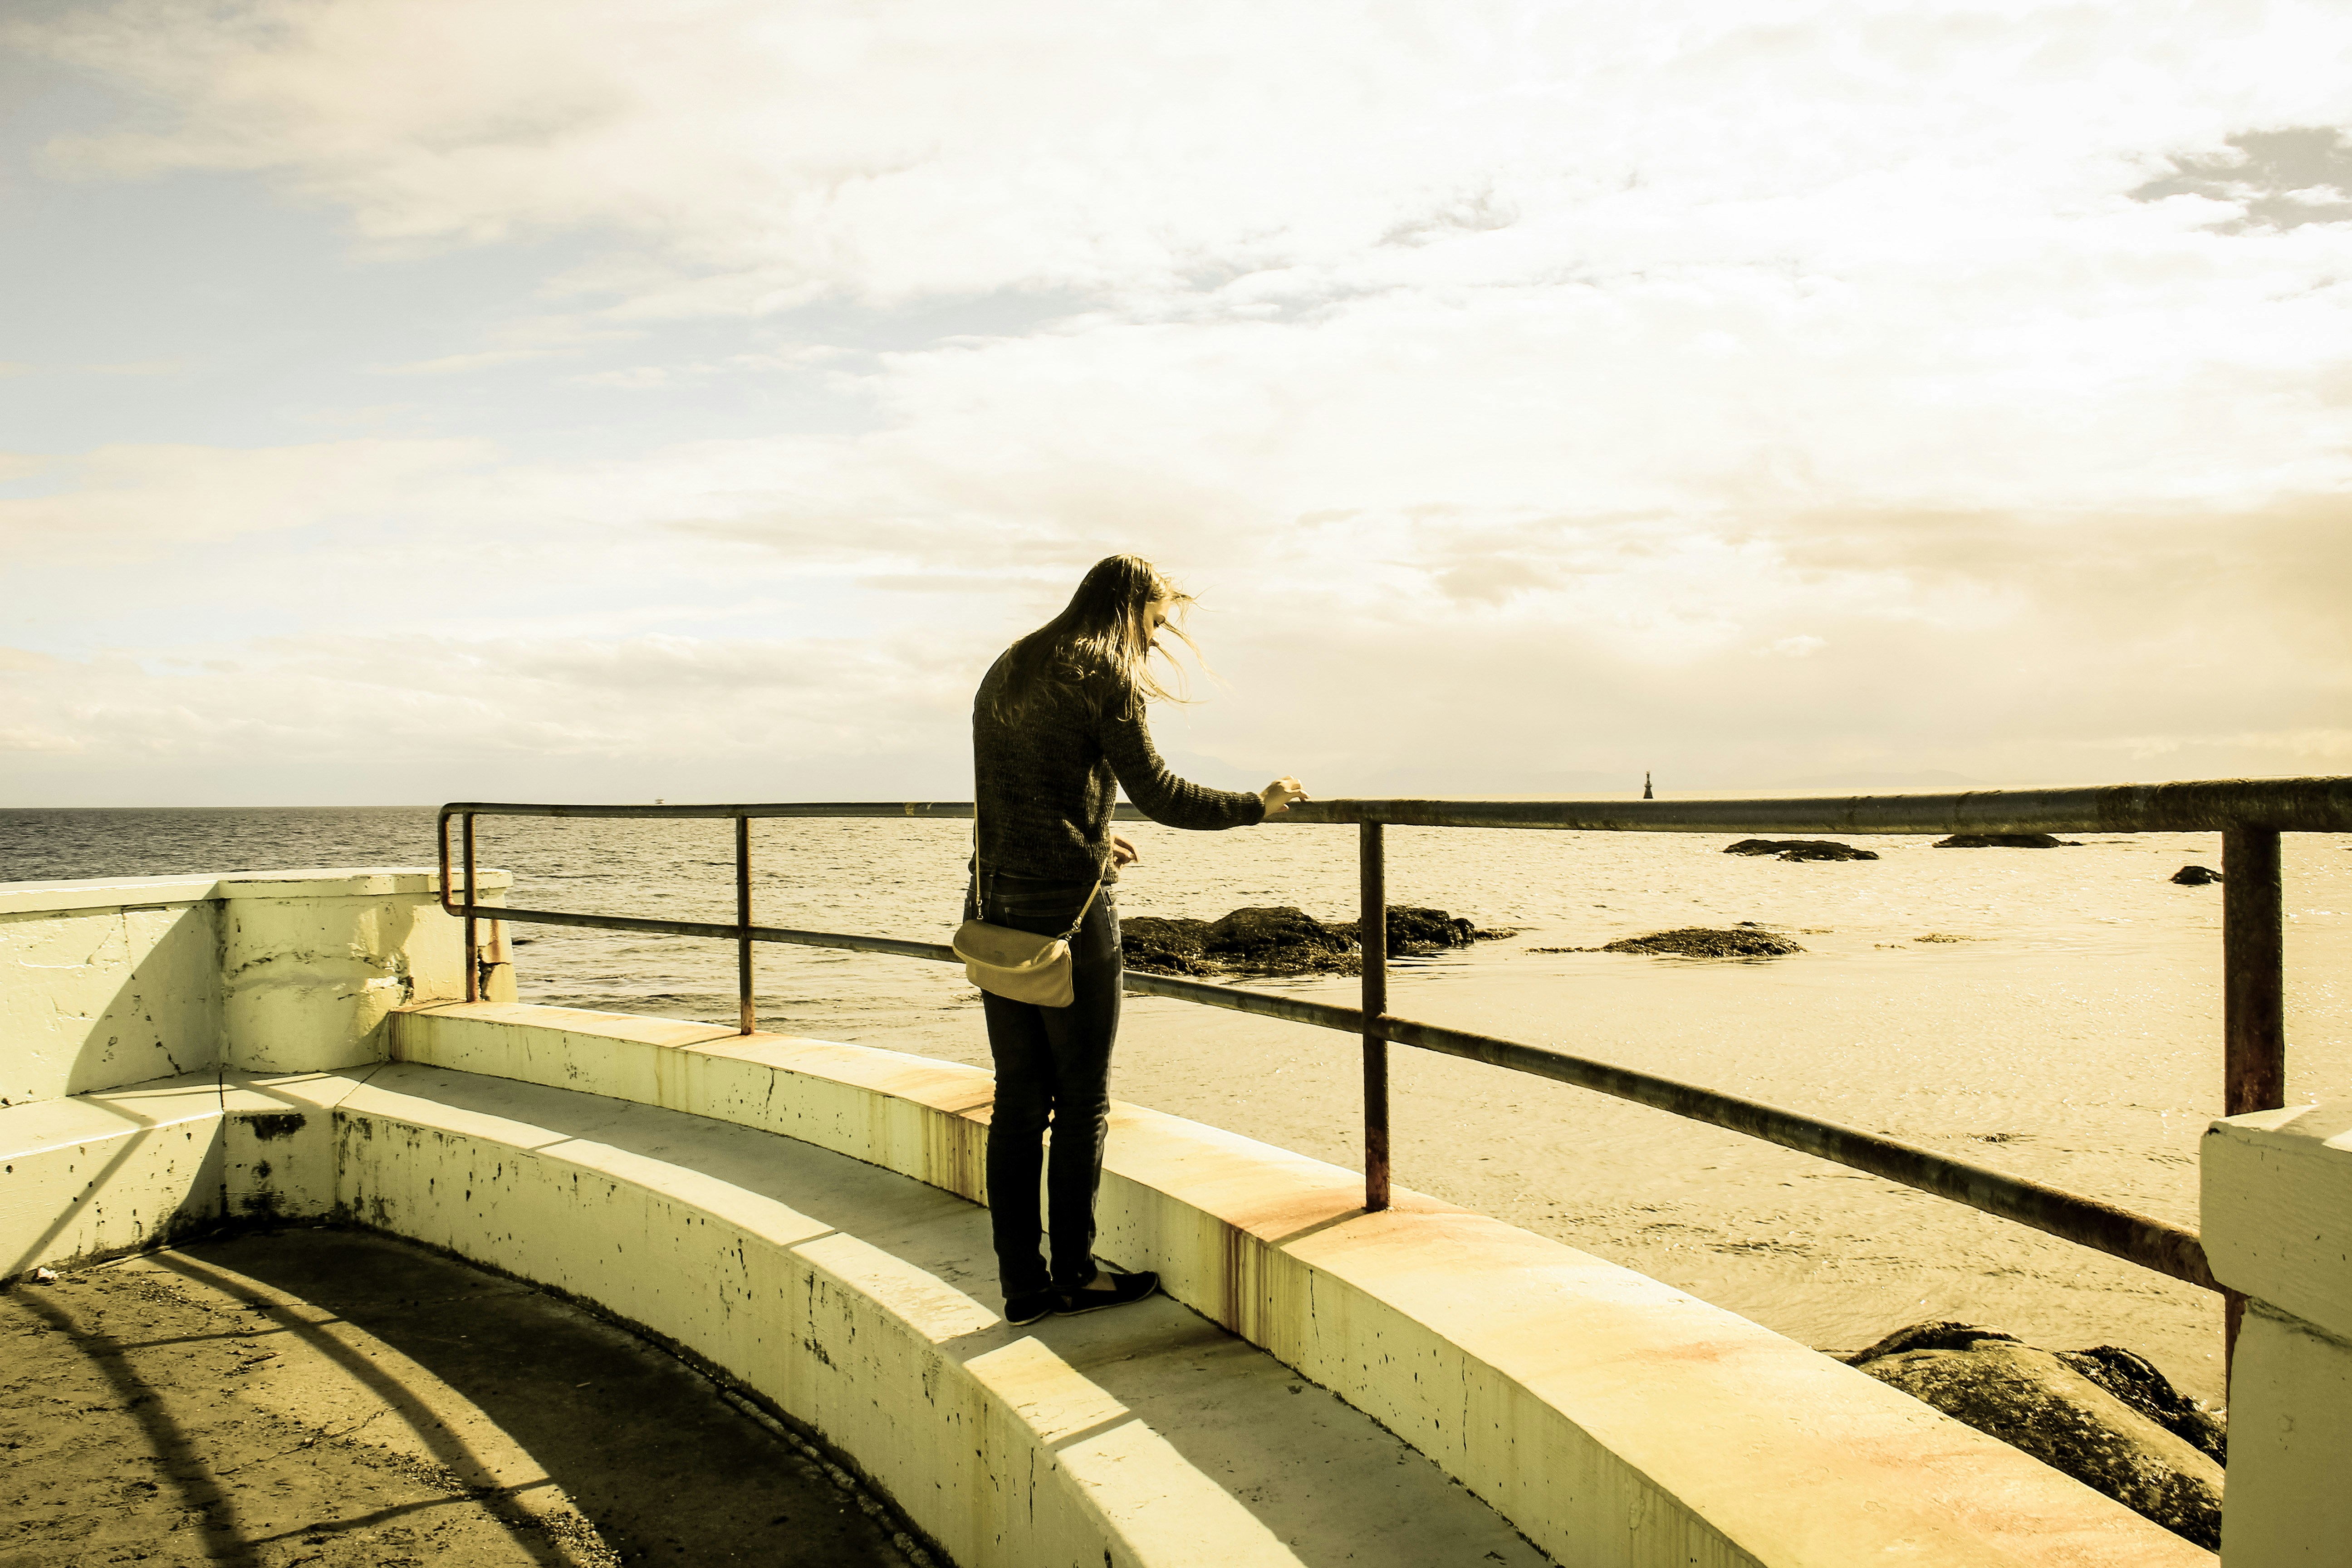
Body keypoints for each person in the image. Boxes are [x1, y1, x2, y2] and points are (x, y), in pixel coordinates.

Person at [970, 554, 1306, 1327]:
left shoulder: (1011, 664)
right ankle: (1077, 1273)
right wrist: (1259, 805)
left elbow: (1017, 790)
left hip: (994, 901)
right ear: (1126, 608)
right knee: (1082, 1100)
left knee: (1018, 1103)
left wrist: (1093, 833)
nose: (1155, 642)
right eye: (1155, 622)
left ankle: (1023, 1286)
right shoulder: (1103, 675)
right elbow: (1163, 793)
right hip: (1070, 916)